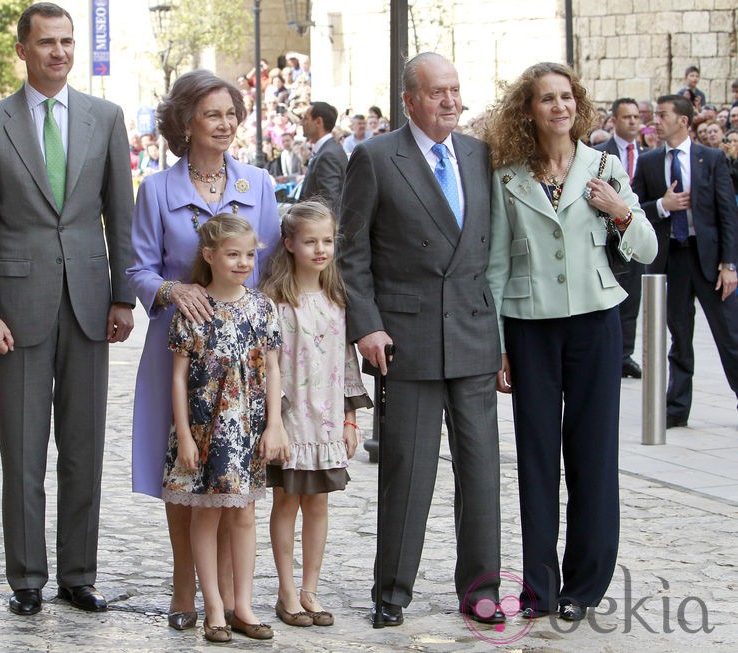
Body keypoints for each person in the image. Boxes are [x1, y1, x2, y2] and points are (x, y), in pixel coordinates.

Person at [0, 2, 135, 616]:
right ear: (22, 50)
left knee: (84, 447)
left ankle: (78, 574)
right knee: (24, 451)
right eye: (46, 42)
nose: (59, 52)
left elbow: (120, 212)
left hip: (90, 305)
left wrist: (121, 296)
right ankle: (27, 579)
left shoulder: (105, 118)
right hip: (18, 310)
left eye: (67, 42)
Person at [337, 52, 504, 629]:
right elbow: (350, 253)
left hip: (474, 334)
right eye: (437, 92)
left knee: (481, 469)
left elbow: (493, 252)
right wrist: (366, 325)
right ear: (409, 100)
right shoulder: (376, 157)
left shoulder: (480, 155)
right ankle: (392, 591)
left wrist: (503, 339)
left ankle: (482, 590)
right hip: (404, 339)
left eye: (455, 90)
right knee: (407, 473)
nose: (450, 101)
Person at [486, 62, 657, 621]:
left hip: (596, 326)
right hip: (529, 328)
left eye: (566, 97)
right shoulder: (507, 175)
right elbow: (493, 267)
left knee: (593, 455)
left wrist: (619, 209)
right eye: (546, 98)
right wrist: (499, 345)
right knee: (536, 459)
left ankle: (583, 587)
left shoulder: (604, 167)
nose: (558, 107)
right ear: (528, 110)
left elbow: (648, 249)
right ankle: (537, 589)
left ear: (576, 105)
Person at [127, 69, 281, 631]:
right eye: (212, 114)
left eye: (231, 114)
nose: (225, 124)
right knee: (184, 470)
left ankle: (233, 600)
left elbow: (268, 267)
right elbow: (137, 268)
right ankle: (184, 586)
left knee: (234, 475)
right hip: (179, 350)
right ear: (185, 121)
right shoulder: (157, 190)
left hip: (240, 357)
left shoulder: (259, 185)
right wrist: (173, 289)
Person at [165, 214, 288, 642]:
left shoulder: (262, 307)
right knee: (206, 513)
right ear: (209, 256)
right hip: (204, 429)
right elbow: (179, 376)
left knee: (245, 515)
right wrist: (183, 434)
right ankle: (213, 607)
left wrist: (275, 425)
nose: (242, 262)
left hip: (249, 429)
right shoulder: (194, 309)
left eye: (249, 255)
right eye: (232, 254)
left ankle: (243, 605)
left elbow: (272, 369)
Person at [260, 200, 371, 629]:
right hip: (290, 423)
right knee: (286, 503)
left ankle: (311, 589)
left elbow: (346, 363)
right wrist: (273, 423)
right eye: (310, 241)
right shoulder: (274, 301)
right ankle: (286, 591)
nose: (321, 249)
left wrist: (349, 418)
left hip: (326, 423)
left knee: (319, 505)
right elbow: (268, 367)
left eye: (327, 241)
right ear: (290, 244)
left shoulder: (337, 296)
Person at [632, 95, 738, 429]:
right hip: (671, 258)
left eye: (663, 115)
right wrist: (662, 205)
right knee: (679, 336)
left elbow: (728, 215)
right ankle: (676, 408)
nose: (655, 122)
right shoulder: (649, 162)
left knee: (731, 335)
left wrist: (730, 264)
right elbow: (633, 208)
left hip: (708, 259)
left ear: (683, 121)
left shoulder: (711, 158)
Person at [596, 98, 646, 378]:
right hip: (608, 239)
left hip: (634, 235)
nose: (633, 121)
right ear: (614, 120)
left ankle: (625, 353)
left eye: (636, 117)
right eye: (627, 117)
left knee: (633, 300)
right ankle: (612, 353)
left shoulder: (650, 155)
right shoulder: (599, 155)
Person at [298, 102, 347, 208]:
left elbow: (329, 200)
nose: (301, 123)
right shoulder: (328, 150)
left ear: (318, 122)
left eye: (305, 118)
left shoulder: (328, 154)